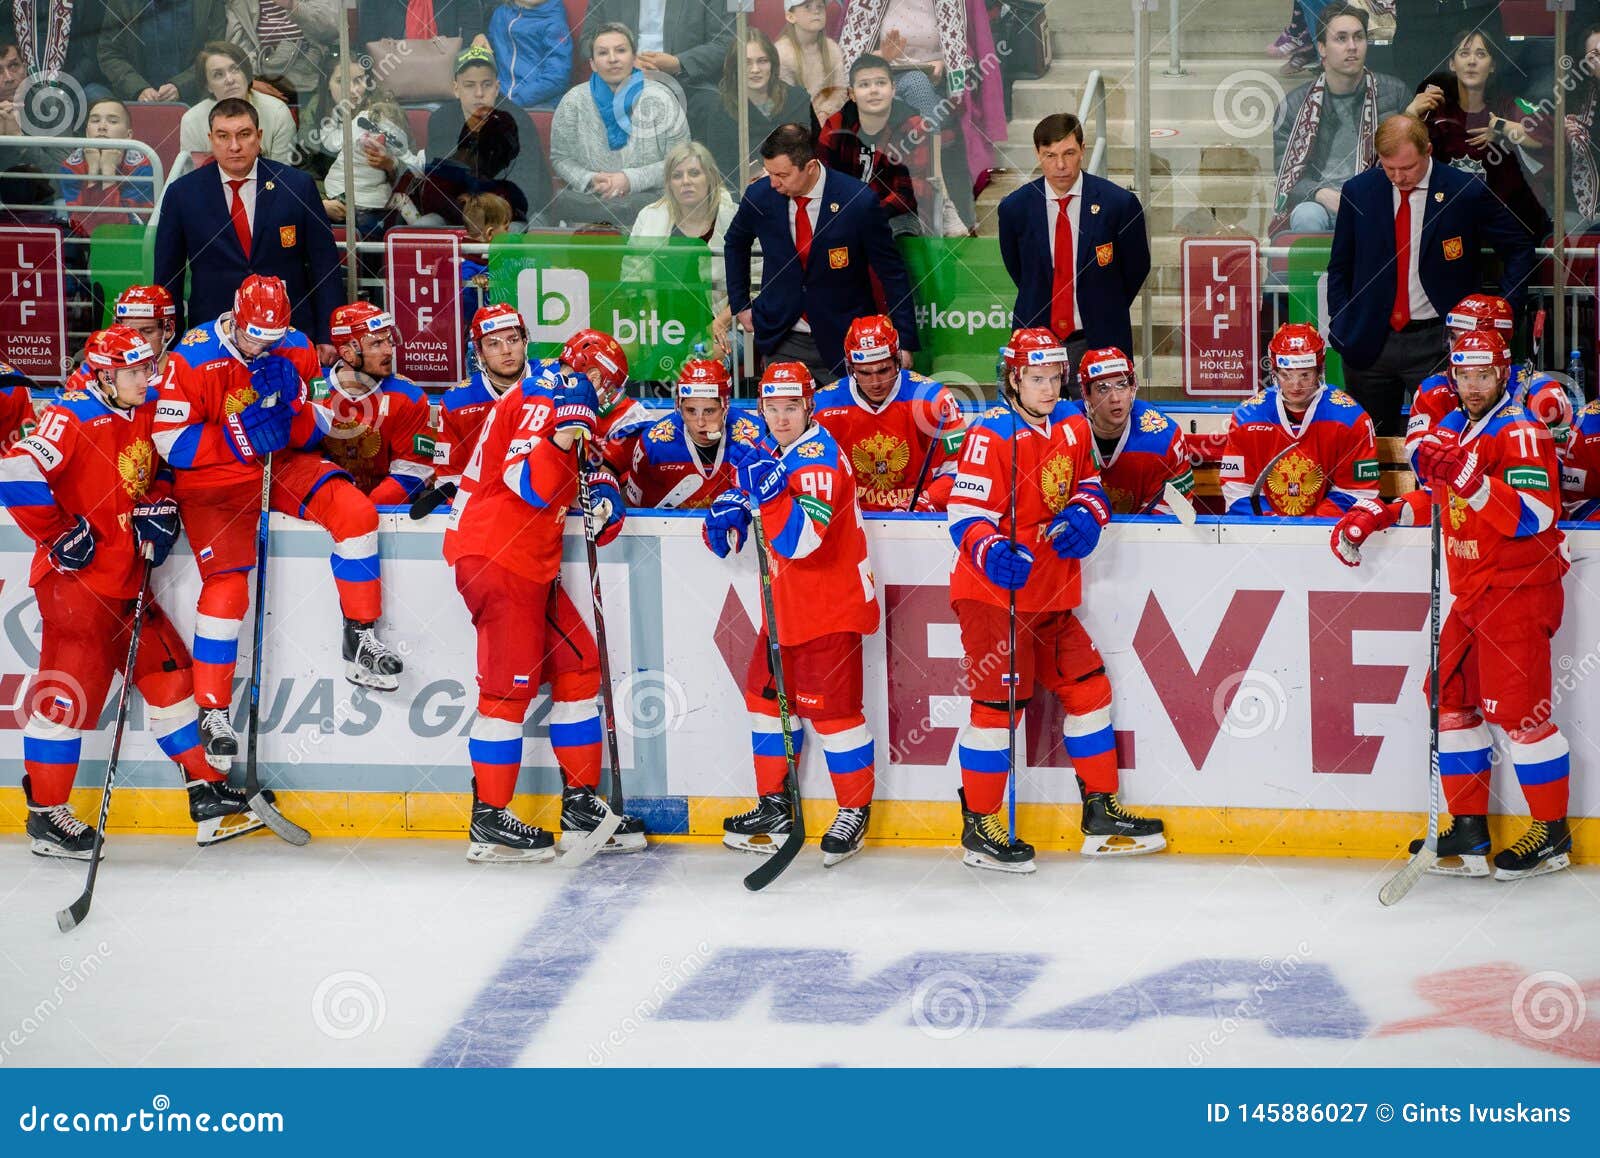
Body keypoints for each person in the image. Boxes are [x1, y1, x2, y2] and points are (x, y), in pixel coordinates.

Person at [0, 327, 272, 858]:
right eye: (135, 371)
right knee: (67, 699)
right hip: (76, 589)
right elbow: (13, 469)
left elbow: (162, 469)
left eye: (150, 367)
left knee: (170, 675)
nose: (148, 378)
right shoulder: (70, 415)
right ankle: (47, 816)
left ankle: (205, 790)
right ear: (104, 375)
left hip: (128, 583)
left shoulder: (145, 410)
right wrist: (56, 533)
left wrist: (159, 503)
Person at [1332, 327, 1573, 881]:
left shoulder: (1521, 432)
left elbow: (1535, 515)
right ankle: (1468, 831)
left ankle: (1552, 835)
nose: (1470, 385)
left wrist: (1470, 479)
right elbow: (1443, 499)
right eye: (1462, 375)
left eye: (1482, 375)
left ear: (1504, 374)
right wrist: (1386, 513)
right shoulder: (1458, 428)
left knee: (1521, 717)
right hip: (1471, 592)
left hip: (1516, 592)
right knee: (1450, 703)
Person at [153, 275, 405, 765]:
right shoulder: (191, 355)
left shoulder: (295, 348)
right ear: (234, 316)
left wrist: (294, 412)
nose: (261, 346)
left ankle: (360, 637)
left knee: (355, 510)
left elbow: (318, 427)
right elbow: (170, 443)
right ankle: (212, 708)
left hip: (281, 465)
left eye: (272, 338)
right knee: (227, 589)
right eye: (253, 337)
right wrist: (240, 438)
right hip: (213, 482)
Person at [946, 327, 1164, 873]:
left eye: (1054, 378)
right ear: (1014, 378)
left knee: (1089, 689)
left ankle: (1099, 812)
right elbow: (963, 513)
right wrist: (986, 546)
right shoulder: (989, 434)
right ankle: (980, 825)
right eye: (1036, 378)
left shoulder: (1070, 421)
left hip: (1050, 596)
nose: (1047, 388)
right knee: (998, 710)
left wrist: (1090, 512)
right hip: (994, 600)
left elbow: (1088, 483)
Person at [440, 306, 647, 862]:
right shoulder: (543, 394)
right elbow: (528, 480)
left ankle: (579, 806)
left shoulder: (556, 396)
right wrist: (564, 441)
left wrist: (602, 486)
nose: (607, 396)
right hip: (499, 560)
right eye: (605, 383)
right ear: (587, 373)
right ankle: (490, 822)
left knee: (579, 667)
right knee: (506, 694)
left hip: (528, 564)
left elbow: (582, 466)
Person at [704, 361, 881, 868]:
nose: (781, 418)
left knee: (835, 717)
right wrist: (729, 514)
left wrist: (769, 493)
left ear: (809, 406)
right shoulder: (775, 449)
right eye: (772, 409)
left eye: (790, 408)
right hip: (784, 610)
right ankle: (776, 803)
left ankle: (853, 810)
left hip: (829, 609)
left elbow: (800, 541)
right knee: (764, 702)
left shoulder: (819, 458)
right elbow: (752, 501)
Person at [1326, 113, 1536, 437]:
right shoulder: (1359, 191)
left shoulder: (1464, 189)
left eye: (1407, 167)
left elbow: (1520, 246)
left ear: (1427, 150)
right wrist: (1342, 326)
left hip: (1440, 341)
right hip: (1369, 343)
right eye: (1388, 167)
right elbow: (1340, 267)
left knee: (1447, 444)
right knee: (1368, 447)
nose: (1398, 177)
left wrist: (1502, 313)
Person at [719, 123, 920, 384]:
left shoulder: (857, 201)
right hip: (782, 335)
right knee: (786, 418)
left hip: (845, 339)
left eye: (782, 174)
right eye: (769, 172)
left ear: (810, 167)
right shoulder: (760, 196)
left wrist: (903, 340)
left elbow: (891, 272)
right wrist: (741, 304)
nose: (773, 182)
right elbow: (735, 243)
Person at [154, 97, 343, 357]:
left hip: (289, 334)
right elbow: (167, 277)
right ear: (211, 139)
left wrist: (327, 334)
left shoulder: (297, 186)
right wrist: (171, 344)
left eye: (244, 134)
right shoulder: (182, 194)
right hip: (211, 337)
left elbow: (326, 266)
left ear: (259, 136)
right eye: (223, 136)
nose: (234, 146)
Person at [997, 113, 1151, 395]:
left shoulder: (1119, 204)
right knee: (1038, 430)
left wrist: (1104, 305)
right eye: (1050, 155)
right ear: (1037, 154)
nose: (1060, 165)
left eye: (1069, 153)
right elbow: (1018, 270)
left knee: (1104, 430)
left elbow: (1137, 267)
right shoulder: (1014, 209)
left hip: (1101, 339)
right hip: (1037, 344)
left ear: (1083, 149)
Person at [1269, 2, 1412, 234]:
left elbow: (1413, 164)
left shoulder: (1395, 94)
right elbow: (1287, 176)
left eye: (1359, 37)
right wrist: (1319, 193)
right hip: (1320, 204)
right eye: (1341, 38)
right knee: (1307, 216)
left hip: (1378, 197)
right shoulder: (1293, 106)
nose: (1352, 47)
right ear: (1322, 48)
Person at [1220, 324, 1379, 517]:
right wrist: (1270, 524)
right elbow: (1237, 487)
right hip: (1265, 534)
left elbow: (1358, 491)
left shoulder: (1351, 419)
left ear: (1319, 371)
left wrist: (1313, 526)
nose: (1296, 386)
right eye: (1286, 375)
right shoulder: (1247, 417)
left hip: (1325, 533)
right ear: (1275, 372)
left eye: (1305, 375)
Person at [811, 314, 967, 512]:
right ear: (851, 369)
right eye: (865, 373)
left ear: (898, 361)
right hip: (852, 524)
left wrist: (925, 503)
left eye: (884, 370)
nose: (875, 383)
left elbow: (961, 470)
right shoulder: (822, 407)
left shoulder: (935, 399)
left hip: (919, 522)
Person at [1409, 29, 1551, 243]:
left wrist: (1503, 128)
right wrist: (1410, 113)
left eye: (1481, 54)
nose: (1472, 61)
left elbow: (1549, 133)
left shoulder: (1507, 105)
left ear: (1492, 65)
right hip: (1446, 231)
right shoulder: (1435, 110)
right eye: (1464, 54)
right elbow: (1396, 154)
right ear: (1452, 64)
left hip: (1505, 230)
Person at [1402, 293, 1574, 469]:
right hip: (1449, 492)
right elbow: (1418, 459)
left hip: (1516, 493)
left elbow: (1565, 468)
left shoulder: (1542, 390)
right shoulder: (1432, 390)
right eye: (1452, 337)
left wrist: (1518, 454)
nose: (1457, 347)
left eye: (1462, 337)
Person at [549, 23, 691, 229]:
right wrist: (591, 179)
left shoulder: (662, 98)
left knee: (643, 205)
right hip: (592, 203)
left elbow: (680, 162)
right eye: (603, 53)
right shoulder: (573, 101)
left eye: (621, 51)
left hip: (650, 205)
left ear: (634, 58)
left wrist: (629, 179)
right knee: (566, 202)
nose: (613, 58)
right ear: (593, 64)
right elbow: (561, 158)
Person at [816, 52, 956, 237]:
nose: (873, 90)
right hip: (848, 209)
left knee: (891, 236)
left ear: (893, 89)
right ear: (852, 94)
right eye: (864, 85)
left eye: (881, 83)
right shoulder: (835, 126)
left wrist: (872, 212)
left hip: (898, 212)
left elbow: (913, 189)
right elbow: (824, 178)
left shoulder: (913, 126)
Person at [313, 303, 437, 504]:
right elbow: (302, 461)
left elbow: (413, 472)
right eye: (376, 344)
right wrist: (333, 506)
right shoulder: (314, 390)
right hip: (326, 506)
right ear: (347, 353)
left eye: (389, 340)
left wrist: (366, 510)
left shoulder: (410, 397)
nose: (389, 351)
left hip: (386, 513)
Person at [418, 44, 554, 228]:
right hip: (460, 212)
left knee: (514, 229)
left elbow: (526, 191)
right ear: (456, 89)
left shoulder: (519, 121)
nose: (479, 93)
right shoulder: (441, 120)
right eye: (469, 85)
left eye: (486, 84)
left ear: (497, 87)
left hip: (512, 213)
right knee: (424, 226)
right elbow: (439, 190)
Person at [1070, 347, 1194, 516]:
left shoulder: (1163, 436)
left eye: (1122, 385)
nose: (1115, 398)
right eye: (1103, 388)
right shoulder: (1063, 429)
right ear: (1087, 394)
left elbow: (1172, 518)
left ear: (1132, 387)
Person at [626, 141, 741, 319]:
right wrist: (646, 325)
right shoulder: (648, 217)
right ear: (669, 183)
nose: (685, 181)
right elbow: (631, 282)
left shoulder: (737, 218)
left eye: (694, 173)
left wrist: (719, 327)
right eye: (677, 175)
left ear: (710, 177)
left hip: (724, 330)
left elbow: (755, 286)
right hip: (662, 330)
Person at [688, 30, 815, 190]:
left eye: (762, 61)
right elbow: (722, 170)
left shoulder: (797, 99)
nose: (755, 69)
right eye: (746, 62)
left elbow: (806, 152)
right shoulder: (720, 108)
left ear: (772, 64)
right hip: (743, 193)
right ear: (735, 67)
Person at [624, 357, 758, 508]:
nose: (700, 422)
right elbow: (636, 513)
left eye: (709, 411)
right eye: (691, 410)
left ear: (725, 406)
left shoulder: (755, 438)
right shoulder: (652, 445)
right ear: (679, 406)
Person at [321, 92, 423, 238]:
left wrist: (392, 163)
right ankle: (421, 234)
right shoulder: (362, 128)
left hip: (353, 196)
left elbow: (330, 141)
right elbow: (413, 164)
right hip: (352, 197)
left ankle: (421, 234)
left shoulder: (356, 128)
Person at [179, 42, 298, 163]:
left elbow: (282, 175)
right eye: (218, 75)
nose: (229, 80)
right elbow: (193, 177)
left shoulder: (277, 113)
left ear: (245, 74)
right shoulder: (191, 121)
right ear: (208, 85)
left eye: (235, 69)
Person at [579, 0, 734, 91]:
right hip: (620, 81)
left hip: (688, 83)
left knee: (713, 106)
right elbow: (587, 41)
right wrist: (627, 62)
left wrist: (678, 63)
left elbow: (727, 43)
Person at [59, 98, 154, 238]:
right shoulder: (71, 167)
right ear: (86, 132)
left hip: (128, 244)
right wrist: (93, 174)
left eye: (112, 121)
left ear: (129, 136)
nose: (102, 127)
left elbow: (123, 229)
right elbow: (81, 227)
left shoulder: (141, 167)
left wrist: (107, 173)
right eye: (95, 121)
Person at [100, 0, 228, 103]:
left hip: (197, 100)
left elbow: (214, 53)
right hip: (135, 102)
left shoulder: (209, 3)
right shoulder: (121, 3)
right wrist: (138, 88)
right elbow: (109, 53)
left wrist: (181, 86)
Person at [225, 0, 341, 107]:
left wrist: (294, 6)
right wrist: (254, 81)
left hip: (312, 83)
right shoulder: (240, 3)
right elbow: (237, 48)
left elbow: (332, 31)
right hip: (261, 85)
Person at [487, 0, 572, 108]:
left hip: (537, 102)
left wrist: (516, 100)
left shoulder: (554, 22)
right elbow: (490, 56)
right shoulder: (501, 13)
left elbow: (558, 76)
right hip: (499, 97)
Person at [777, 0, 847, 122]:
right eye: (807, 6)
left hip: (828, 122)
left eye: (820, 6)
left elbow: (839, 92)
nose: (816, 11)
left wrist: (825, 112)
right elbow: (784, 102)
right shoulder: (781, 53)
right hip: (795, 123)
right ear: (790, 16)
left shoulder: (833, 49)